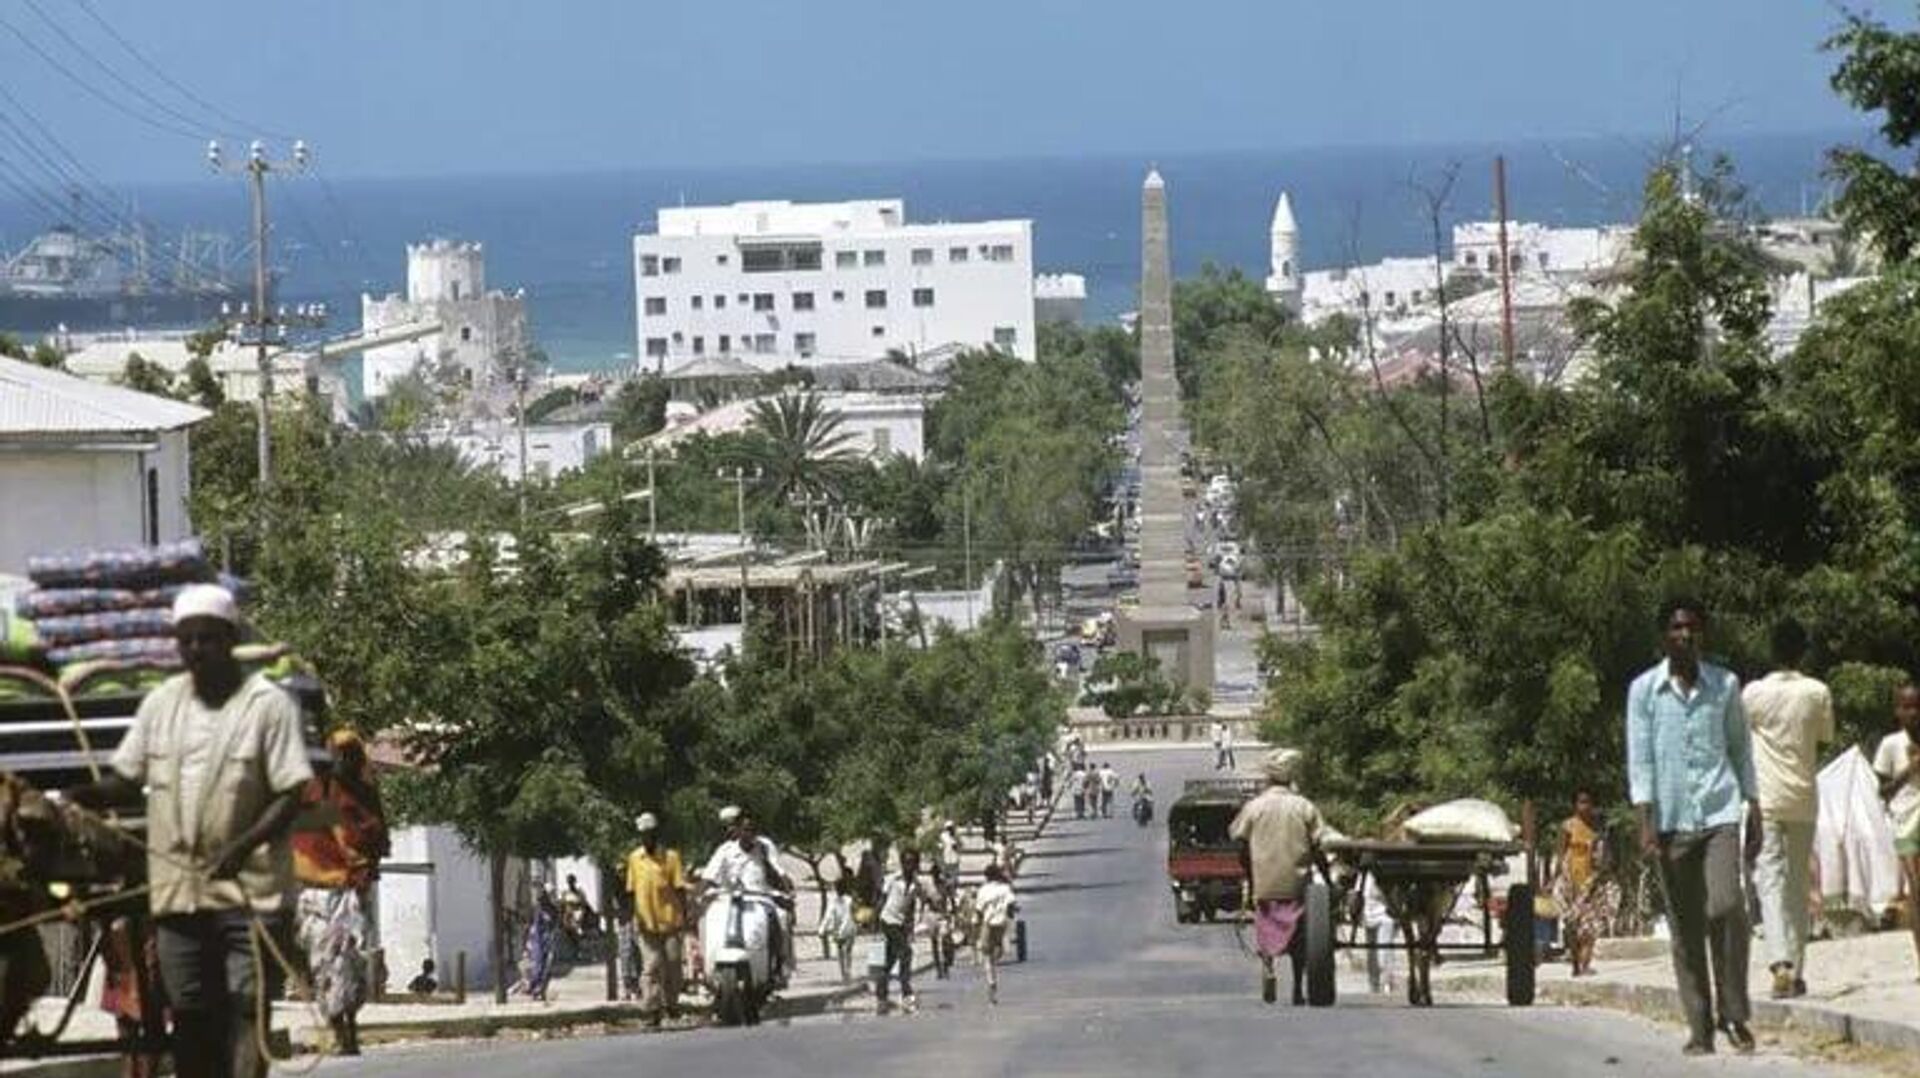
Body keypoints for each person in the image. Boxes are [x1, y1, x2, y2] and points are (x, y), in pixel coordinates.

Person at [69, 584, 313, 1078]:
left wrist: (242, 848)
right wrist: (74, 797)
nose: (197, 649)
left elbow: (291, 792)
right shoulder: (161, 705)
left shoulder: (268, 705)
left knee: (246, 1005)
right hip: (178, 894)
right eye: (188, 640)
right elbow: (125, 780)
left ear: (231, 640)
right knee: (191, 1014)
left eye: (209, 638)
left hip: (251, 895)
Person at [1627, 598, 1760, 1056]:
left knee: (1727, 906)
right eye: (1677, 628)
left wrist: (1755, 805)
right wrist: (1645, 821)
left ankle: (1734, 1013)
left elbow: (1740, 748)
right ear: (1664, 636)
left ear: (1703, 635)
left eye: (1693, 628)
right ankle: (1700, 1027)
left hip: (1720, 813)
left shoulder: (1725, 685)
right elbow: (1641, 759)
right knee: (1685, 930)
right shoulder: (1644, 691)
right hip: (1670, 822)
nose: (1685, 635)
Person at [1741, 618, 1833, 999]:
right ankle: (1796, 969)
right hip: (1804, 797)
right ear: (1803, 652)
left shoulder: (1754, 694)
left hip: (1766, 799)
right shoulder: (1817, 692)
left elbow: (1740, 739)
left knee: (1769, 879)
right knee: (1798, 884)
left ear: (1772, 651)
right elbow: (1824, 738)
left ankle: (1779, 961)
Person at [292, 728, 390, 1056]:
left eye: (350, 755)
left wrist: (362, 871)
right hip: (317, 893)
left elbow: (374, 839)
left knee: (351, 964)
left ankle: (350, 1027)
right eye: (338, 754)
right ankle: (337, 1029)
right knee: (325, 964)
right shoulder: (313, 792)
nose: (343, 762)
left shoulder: (363, 795)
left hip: (352, 895)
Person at [1229, 748, 1331, 1006]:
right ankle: (1297, 987)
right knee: (1300, 939)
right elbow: (1319, 843)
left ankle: (1268, 967)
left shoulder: (1254, 807)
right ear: (1290, 780)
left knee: (1265, 927)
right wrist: (1328, 879)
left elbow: (1238, 839)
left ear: (1268, 780)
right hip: (1297, 885)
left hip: (1264, 884)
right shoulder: (1303, 806)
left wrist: (1251, 874)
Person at [700, 807, 793, 986]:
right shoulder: (725, 850)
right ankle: (706, 969)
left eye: (752, 830)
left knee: (781, 918)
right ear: (737, 830)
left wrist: (787, 888)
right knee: (705, 920)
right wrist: (698, 896)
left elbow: (779, 871)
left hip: (761, 897)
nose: (749, 834)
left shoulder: (765, 846)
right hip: (728, 899)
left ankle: (778, 965)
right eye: (745, 829)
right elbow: (709, 876)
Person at [1873, 683, 1920, 980]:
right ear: (1897, 711)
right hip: (1905, 820)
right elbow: (1883, 791)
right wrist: (1909, 770)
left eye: (1917, 707)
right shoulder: (1891, 745)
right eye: (1907, 707)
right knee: (1916, 890)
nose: (1913, 713)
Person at [625, 812, 689, 1024]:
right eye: (643, 834)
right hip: (646, 923)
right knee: (651, 966)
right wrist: (632, 917)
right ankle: (652, 1010)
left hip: (670, 921)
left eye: (650, 833)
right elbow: (631, 891)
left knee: (673, 966)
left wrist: (686, 915)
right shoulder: (635, 858)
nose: (647, 838)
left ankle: (671, 1004)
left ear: (656, 833)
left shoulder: (671, 857)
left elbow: (679, 889)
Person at [1549, 790, 1620, 978]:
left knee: (1590, 926)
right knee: (1572, 925)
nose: (1585, 806)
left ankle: (1585, 964)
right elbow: (1560, 854)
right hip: (1571, 881)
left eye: (1588, 802)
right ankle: (1575, 963)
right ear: (1575, 805)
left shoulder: (1600, 829)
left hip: (1593, 882)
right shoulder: (1568, 827)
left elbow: (1607, 855)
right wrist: (1553, 879)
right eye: (1581, 802)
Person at [875, 849, 940, 1014]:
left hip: (902, 925)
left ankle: (881, 998)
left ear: (917, 864)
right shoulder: (892, 879)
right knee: (906, 954)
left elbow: (927, 900)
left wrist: (932, 900)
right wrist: (875, 923)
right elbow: (882, 900)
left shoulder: (918, 883)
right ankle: (907, 995)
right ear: (902, 863)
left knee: (889, 960)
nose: (909, 866)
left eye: (912, 863)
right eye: (906, 862)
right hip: (889, 920)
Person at [974, 863, 1019, 1005]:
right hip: (1002, 923)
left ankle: (991, 981)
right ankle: (996, 957)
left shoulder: (983, 890)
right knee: (997, 951)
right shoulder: (1005, 889)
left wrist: (977, 923)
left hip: (988, 923)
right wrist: (1011, 914)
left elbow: (979, 909)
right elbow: (1012, 904)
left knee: (986, 955)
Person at [817, 876, 858, 984]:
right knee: (844, 951)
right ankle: (845, 973)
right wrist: (822, 929)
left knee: (845, 951)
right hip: (842, 929)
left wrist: (824, 930)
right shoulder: (836, 901)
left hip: (847, 928)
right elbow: (828, 915)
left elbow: (847, 917)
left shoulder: (847, 901)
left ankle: (846, 973)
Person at [524, 889, 561, 1001]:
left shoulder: (553, 910)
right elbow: (530, 926)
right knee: (537, 966)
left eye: (542, 900)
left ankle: (541, 989)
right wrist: (527, 943)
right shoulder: (536, 910)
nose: (540, 902)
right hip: (537, 941)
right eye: (539, 900)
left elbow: (556, 925)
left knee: (547, 967)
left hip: (548, 940)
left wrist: (553, 936)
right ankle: (535, 988)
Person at [560, 873, 598, 959]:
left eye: (572, 882)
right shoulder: (565, 893)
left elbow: (584, 904)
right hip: (568, 916)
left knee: (580, 930)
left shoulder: (580, 893)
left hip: (578, 914)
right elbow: (562, 906)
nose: (570, 884)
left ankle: (582, 950)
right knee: (569, 930)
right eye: (569, 882)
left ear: (574, 882)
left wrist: (587, 913)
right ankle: (576, 949)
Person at [938, 822, 963, 897]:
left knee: (954, 876)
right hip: (947, 859)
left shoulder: (956, 836)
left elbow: (960, 845)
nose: (950, 830)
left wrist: (956, 844)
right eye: (949, 828)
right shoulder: (943, 836)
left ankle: (954, 891)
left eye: (951, 828)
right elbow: (941, 846)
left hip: (954, 859)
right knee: (947, 876)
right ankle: (948, 891)